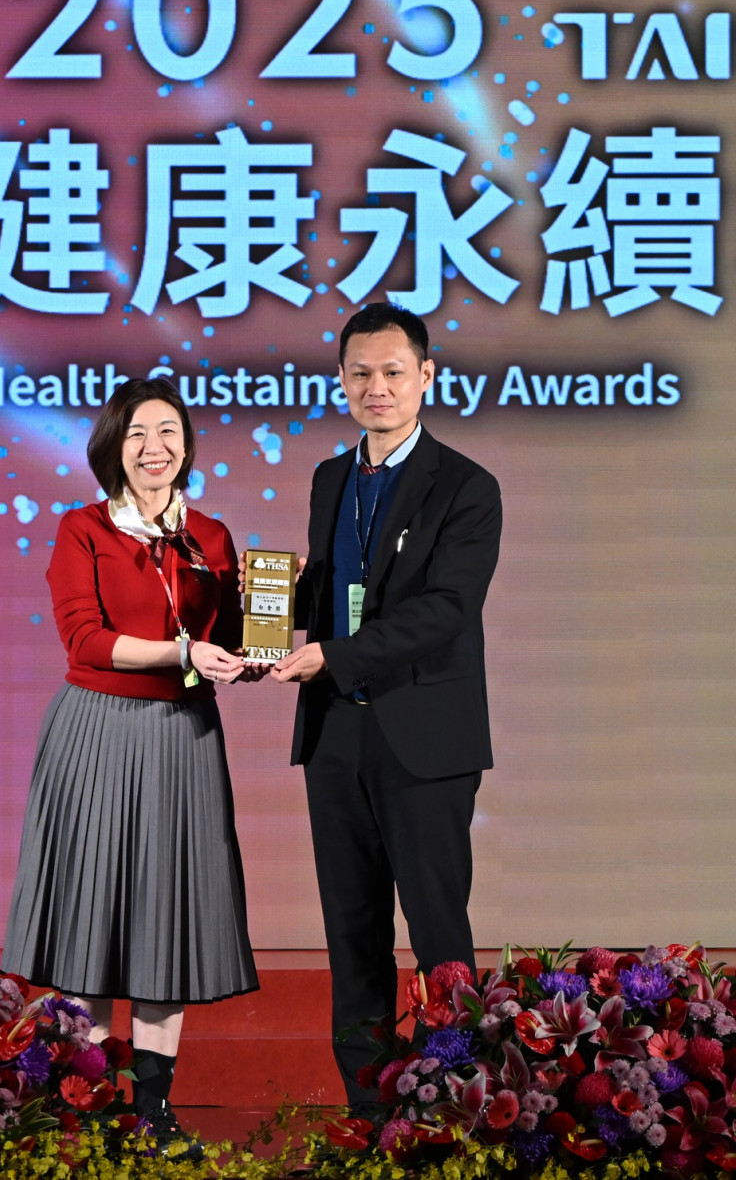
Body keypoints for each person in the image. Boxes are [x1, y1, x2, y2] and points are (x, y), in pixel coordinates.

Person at [3, 376, 260, 1139]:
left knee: (164, 919)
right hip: (99, 732)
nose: (156, 448)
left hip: (183, 738)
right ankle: (86, 1103)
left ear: (187, 446)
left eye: (169, 432)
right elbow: (84, 640)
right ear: (113, 447)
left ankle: (152, 1109)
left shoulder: (210, 535)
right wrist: (183, 651)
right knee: (91, 919)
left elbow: (229, 645)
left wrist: (266, 629)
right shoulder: (82, 528)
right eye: (139, 433)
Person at [270, 302, 503, 1110]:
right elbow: (332, 588)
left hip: (423, 740)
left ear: (426, 377)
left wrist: (334, 655)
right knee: (352, 934)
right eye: (361, 373)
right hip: (336, 733)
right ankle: (369, 1115)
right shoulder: (331, 478)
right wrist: (263, 609)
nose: (377, 387)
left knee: (438, 932)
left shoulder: (467, 486)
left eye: (393, 372)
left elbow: (445, 609)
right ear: (341, 380)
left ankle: (457, 1110)